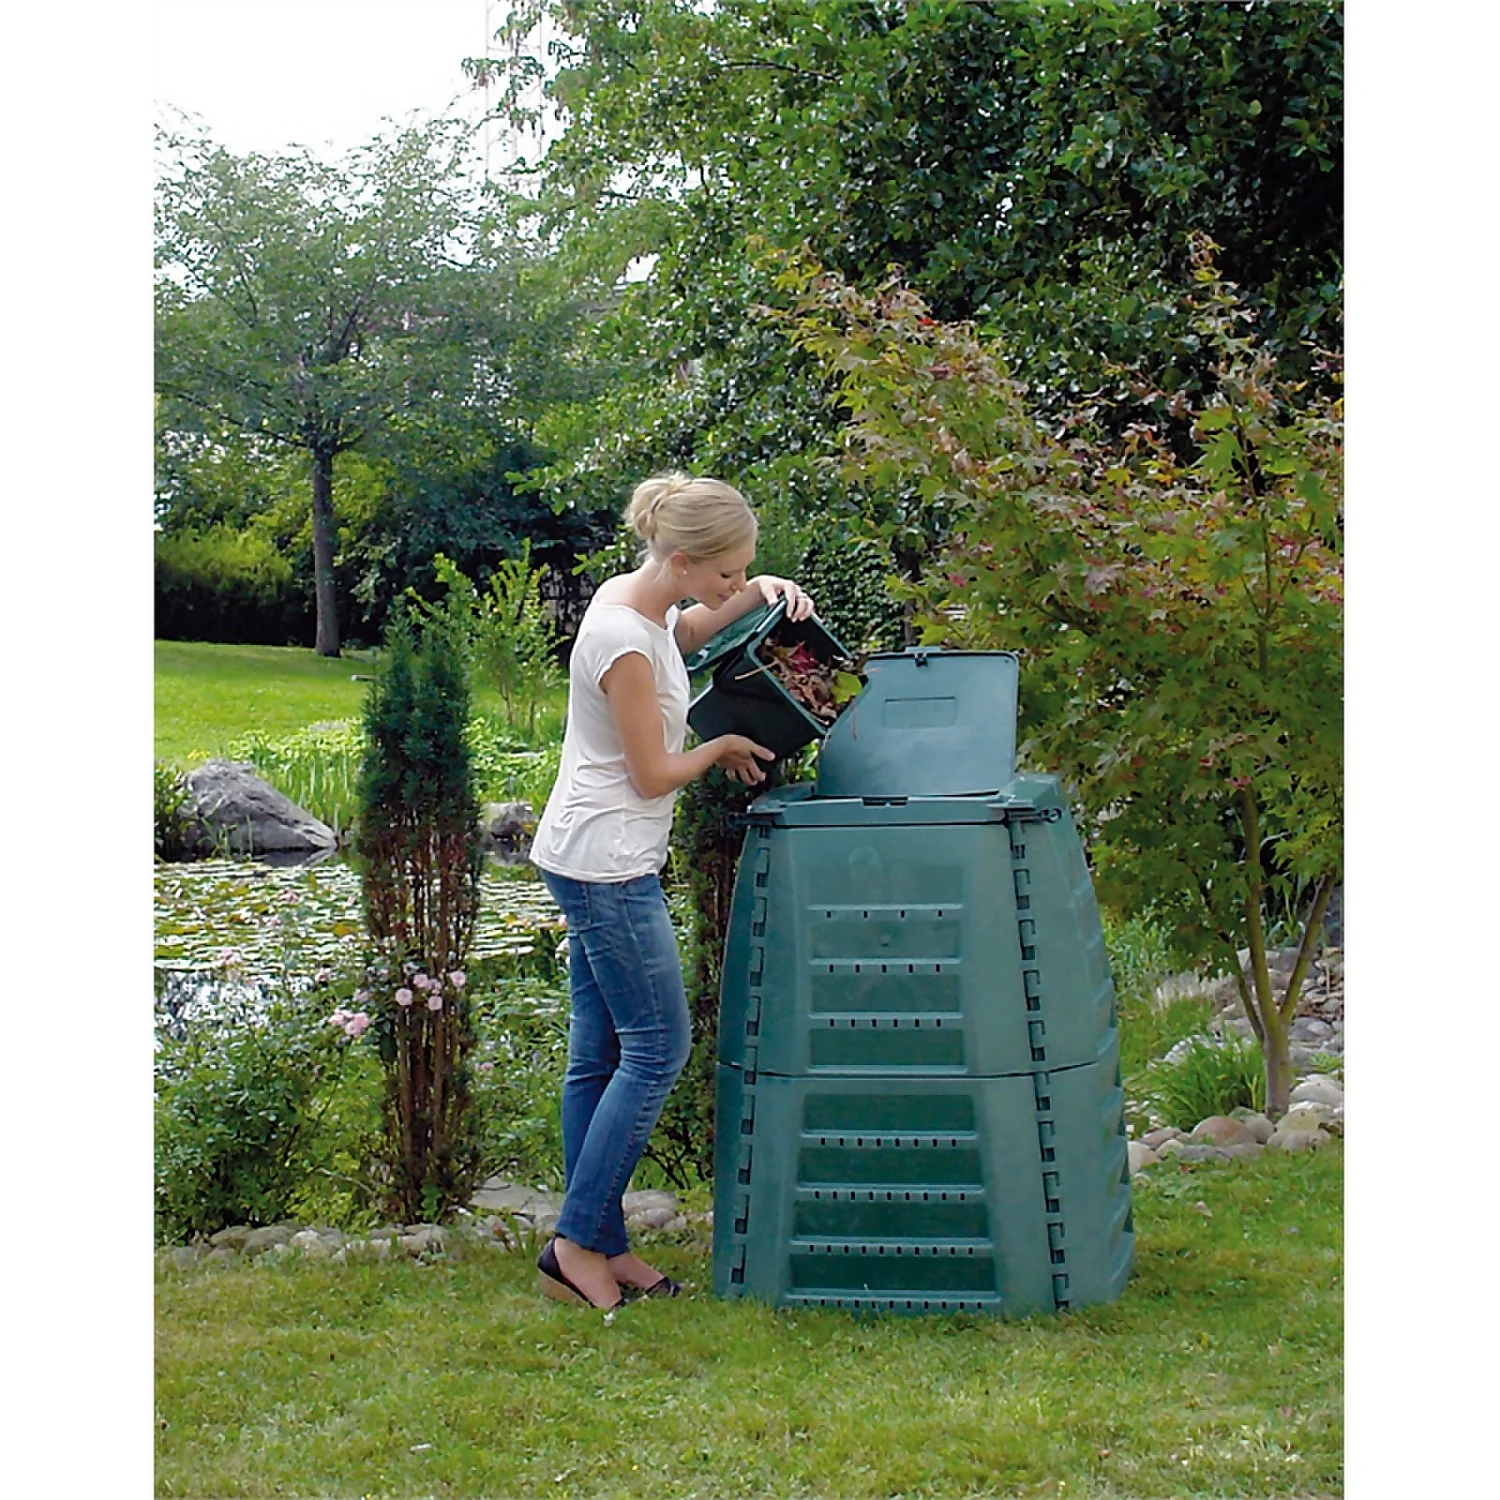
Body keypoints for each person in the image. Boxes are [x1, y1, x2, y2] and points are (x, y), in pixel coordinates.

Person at [528, 471, 814, 1311]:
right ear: (682, 560)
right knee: (658, 1050)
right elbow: (652, 774)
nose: (735, 582)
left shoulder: (639, 602)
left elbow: (682, 634)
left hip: (592, 851)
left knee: (599, 1057)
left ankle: (601, 1244)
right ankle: (575, 1246)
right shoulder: (621, 638)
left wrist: (760, 592)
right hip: (607, 865)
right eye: (727, 571)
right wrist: (722, 744)